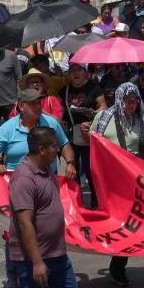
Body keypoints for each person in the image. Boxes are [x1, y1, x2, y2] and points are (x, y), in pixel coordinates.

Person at [0, 88, 76, 288]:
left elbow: (65, 145)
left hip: (46, 185)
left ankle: (51, 269)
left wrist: (70, 162)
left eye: (39, 102)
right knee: (15, 232)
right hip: (18, 188)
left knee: (46, 228)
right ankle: (13, 275)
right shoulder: (9, 128)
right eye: (33, 103)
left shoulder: (50, 123)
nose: (37, 106)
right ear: (21, 105)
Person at [8, 126, 80, 288]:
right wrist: (37, 262)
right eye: (52, 145)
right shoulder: (24, 178)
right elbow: (25, 223)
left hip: (56, 251)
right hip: (34, 257)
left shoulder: (46, 168)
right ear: (41, 149)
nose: (56, 149)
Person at [89, 82, 144, 287]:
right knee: (110, 218)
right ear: (119, 99)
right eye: (128, 100)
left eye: (135, 101)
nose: (131, 105)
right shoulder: (104, 117)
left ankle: (118, 265)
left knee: (128, 221)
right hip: (108, 178)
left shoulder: (139, 120)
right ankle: (104, 246)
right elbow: (93, 141)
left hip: (130, 179)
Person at [60, 63, 106, 206]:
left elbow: (103, 106)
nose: (75, 73)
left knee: (90, 169)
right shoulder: (64, 90)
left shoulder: (94, 87)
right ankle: (76, 202)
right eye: (72, 70)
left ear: (85, 72)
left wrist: (93, 115)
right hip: (71, 134)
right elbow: (60, 110)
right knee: (73, 168)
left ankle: (95, 201)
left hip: (88, 134)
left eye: (78, 70)